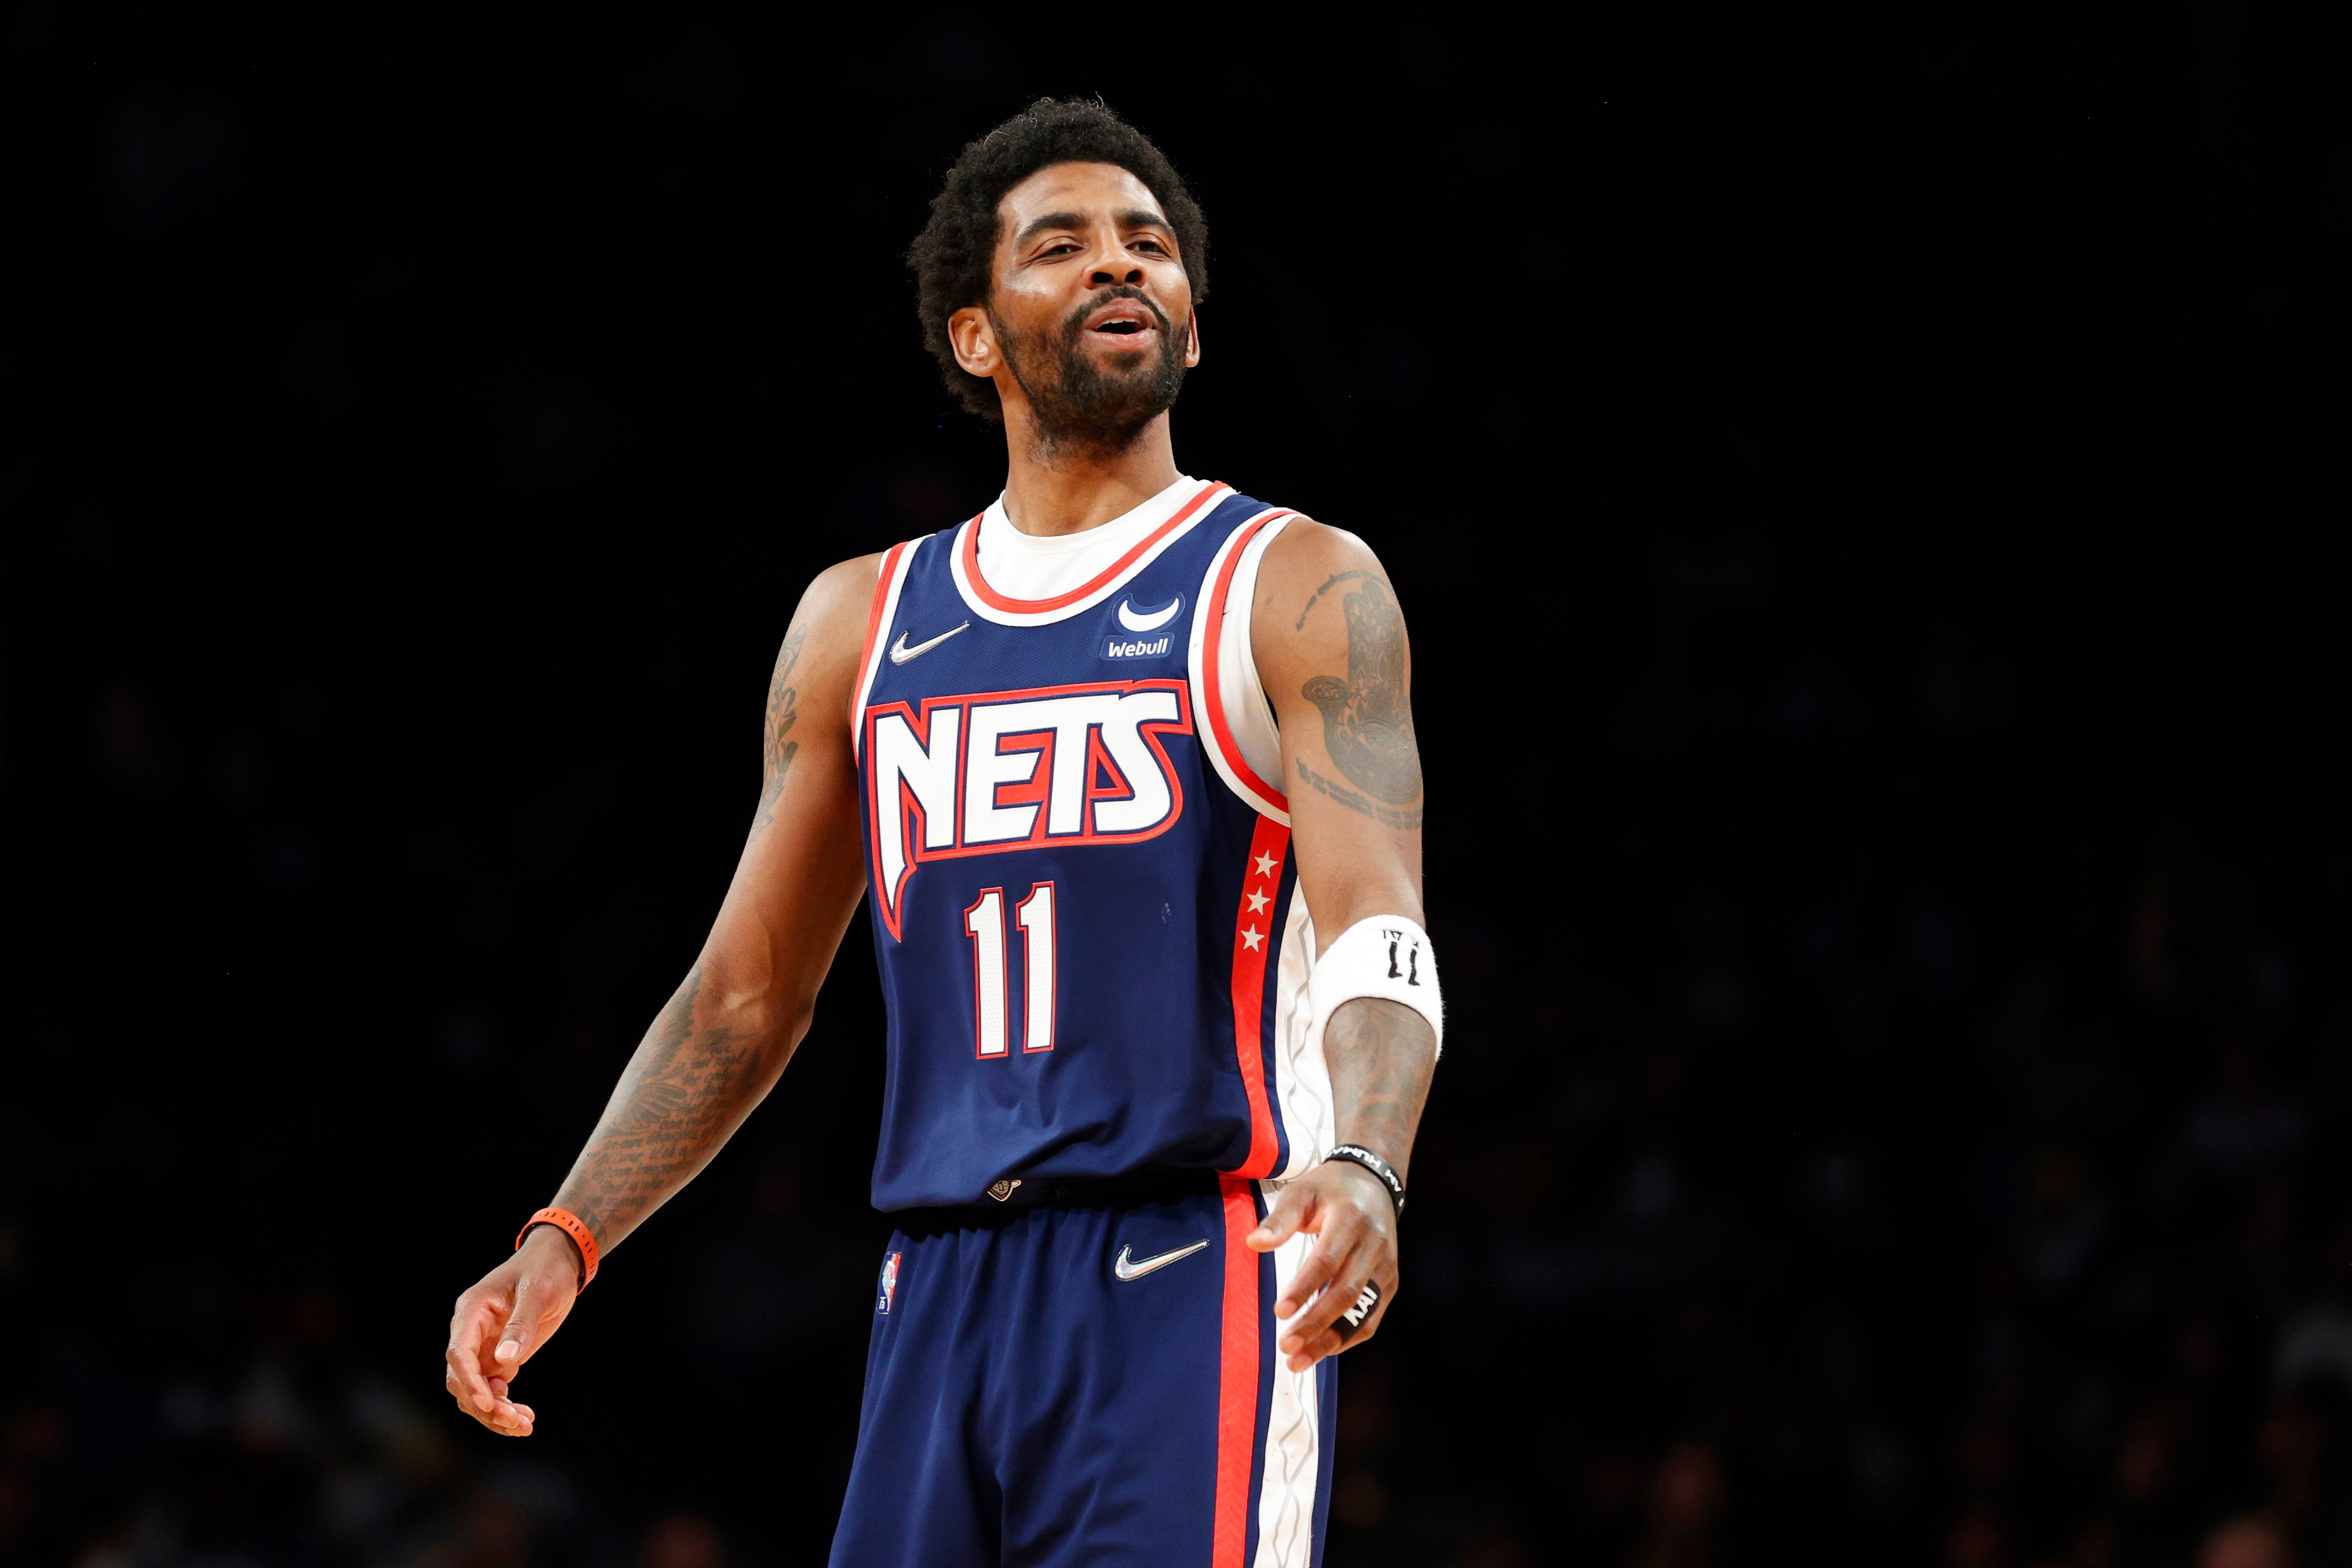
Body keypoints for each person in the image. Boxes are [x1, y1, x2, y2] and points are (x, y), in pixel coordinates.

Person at [442, 98, 1441, 1568]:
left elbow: (1380, 929)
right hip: (937, 1285)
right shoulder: (863, 619)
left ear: (1192, 322)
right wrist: (567, 1235)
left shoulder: (1291, 581)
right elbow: (745, 997)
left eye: (1149, 246)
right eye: (1062, 245)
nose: (1120, 264)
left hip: (1192, 1264)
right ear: (974, 336)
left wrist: (1367, 1159)